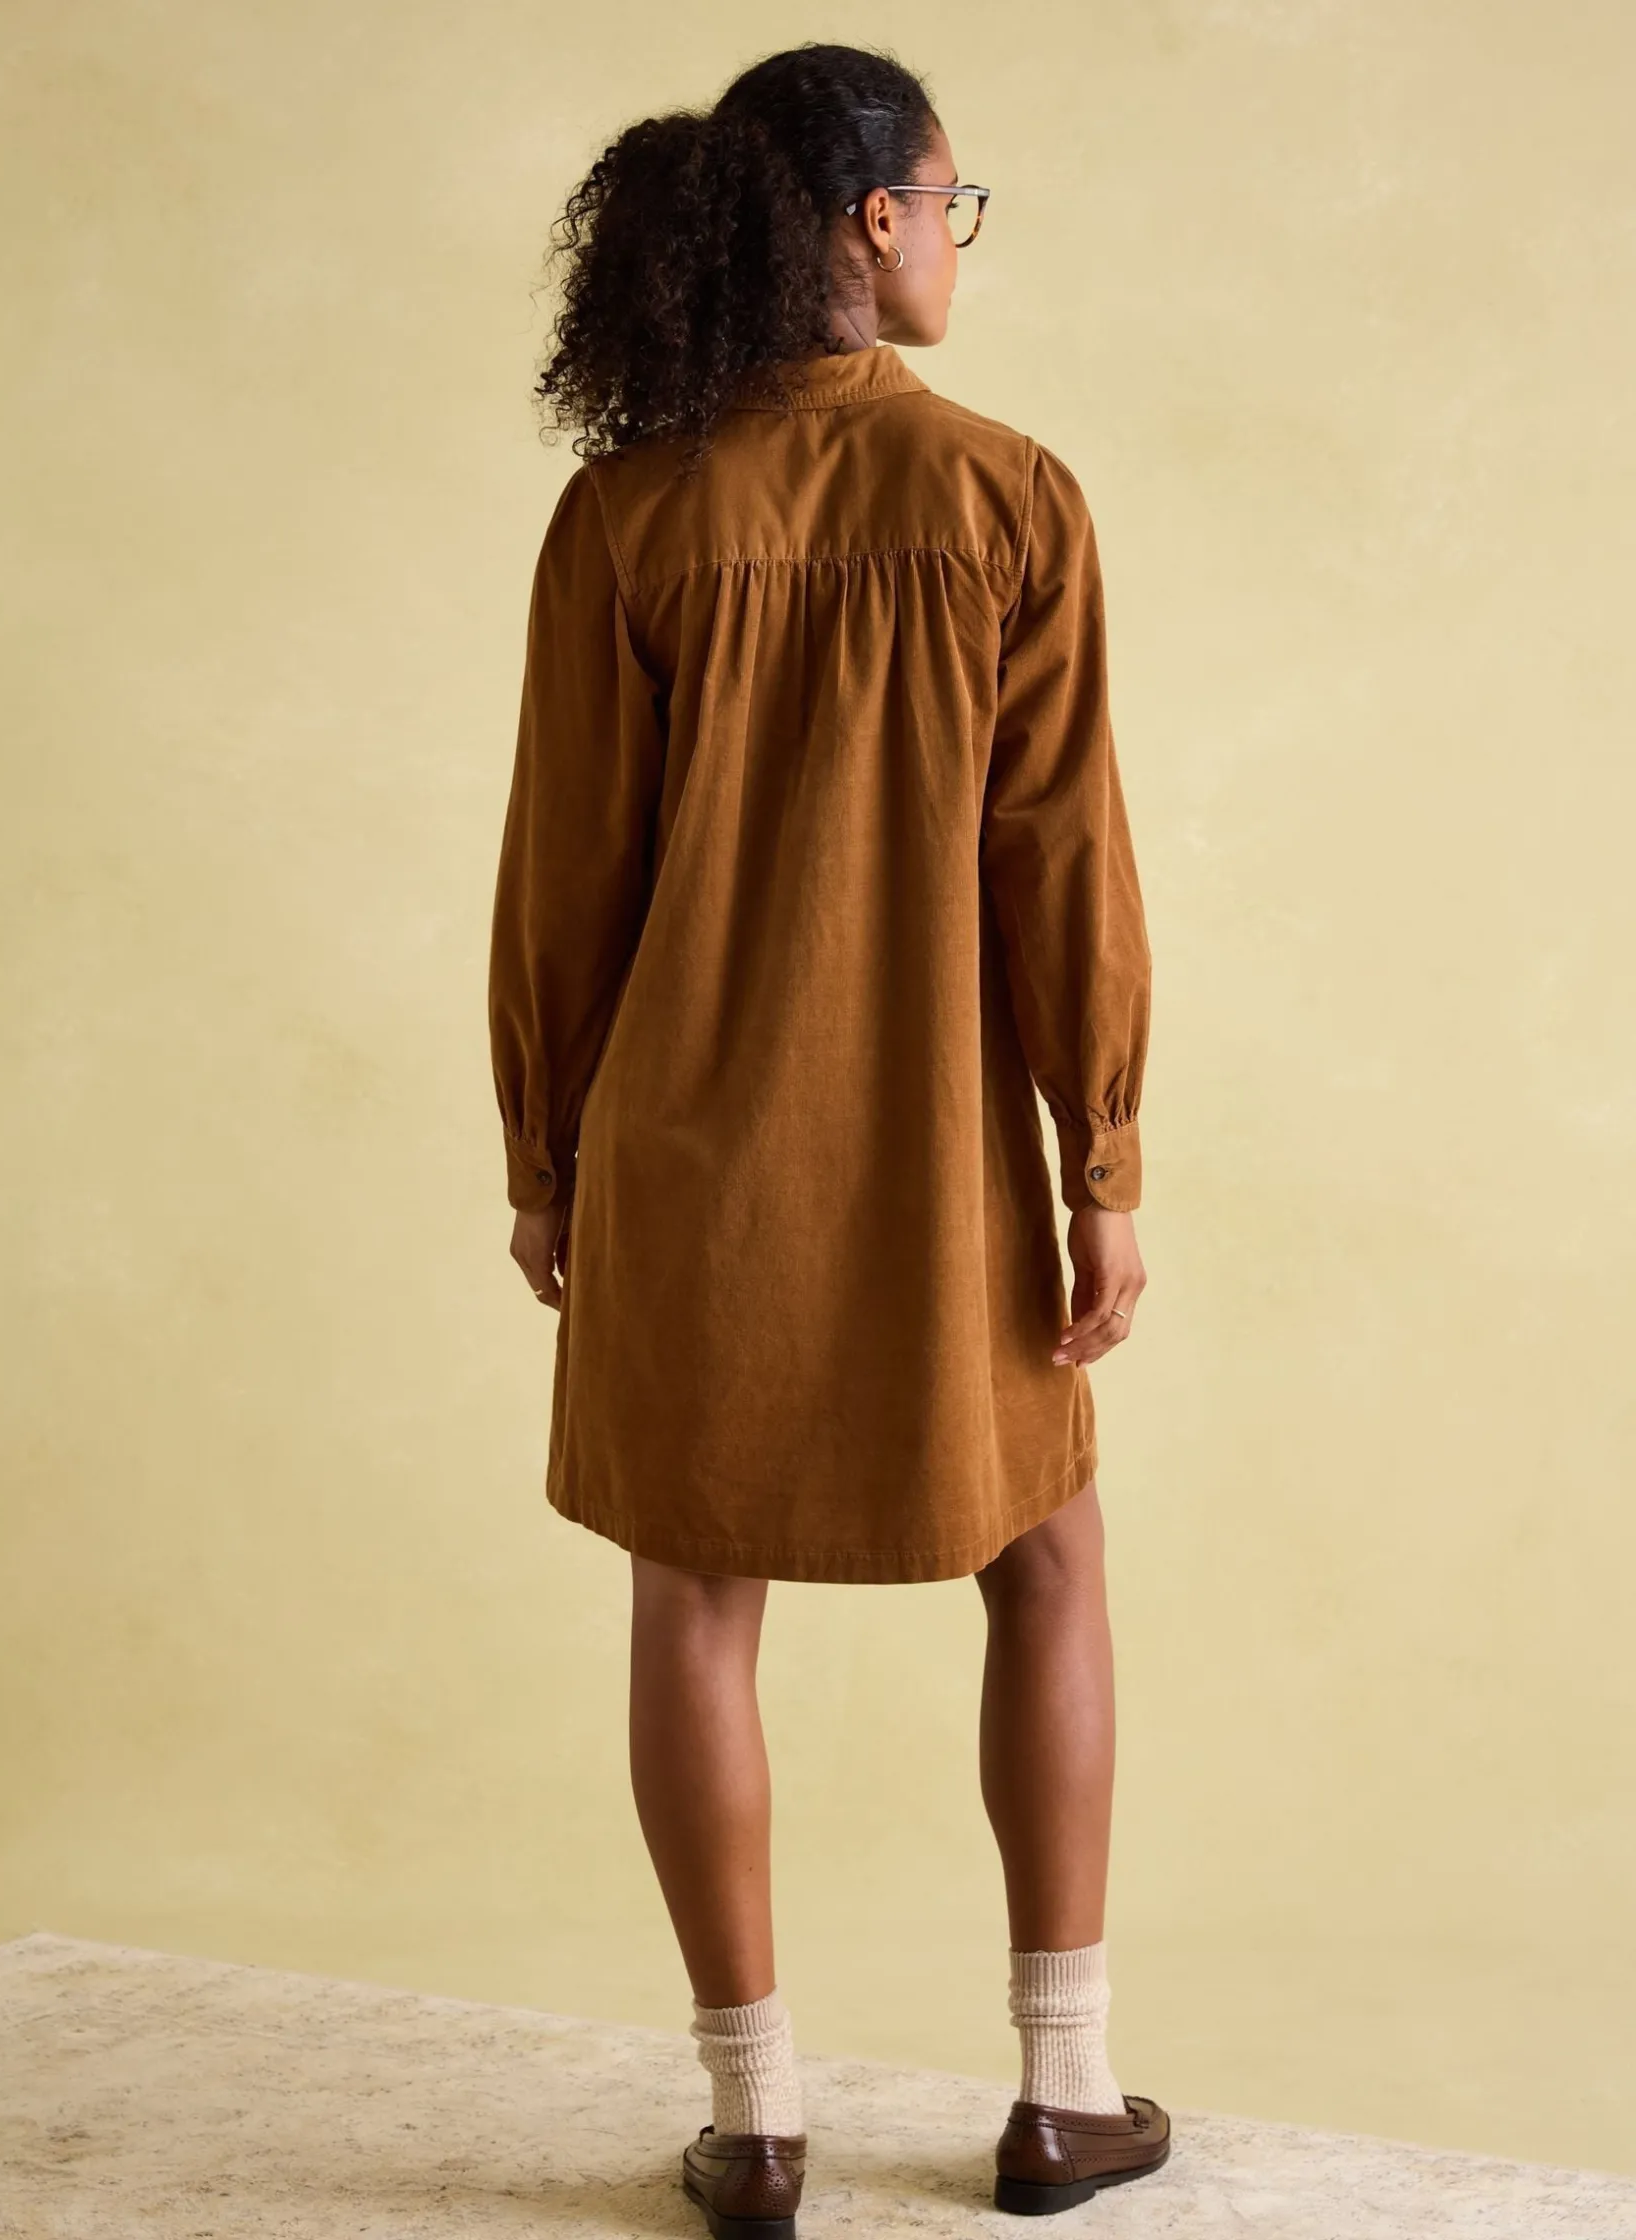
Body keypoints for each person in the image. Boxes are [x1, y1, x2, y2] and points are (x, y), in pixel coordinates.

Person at [486, 40, 1166, 2235]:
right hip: (947, 1158)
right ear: (876, 217)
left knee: (694, 1598)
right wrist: (1103, 1162)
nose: (958, 238)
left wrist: (543, 1156)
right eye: (952, 202)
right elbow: (1067, 866)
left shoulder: (627, 513)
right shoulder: (1010, 496)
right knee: (1046, 1561)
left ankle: (757, 2123)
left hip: (683, 1155)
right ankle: (1064, 2095)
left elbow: (563, 877)